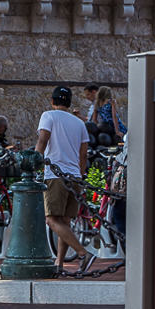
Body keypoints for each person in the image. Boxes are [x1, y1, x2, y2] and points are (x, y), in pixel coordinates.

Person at [36, 86, 95, 274]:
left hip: (55, 175)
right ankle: (59, 264)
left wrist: (35, 160)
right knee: (65, 221)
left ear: (52, 101)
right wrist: (81, 174)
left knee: (51, 219)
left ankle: (83, 253)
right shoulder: (79, 124)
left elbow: (43, 140)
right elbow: (83, 154)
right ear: (69, 104)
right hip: (74, 176)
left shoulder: (48, 116)